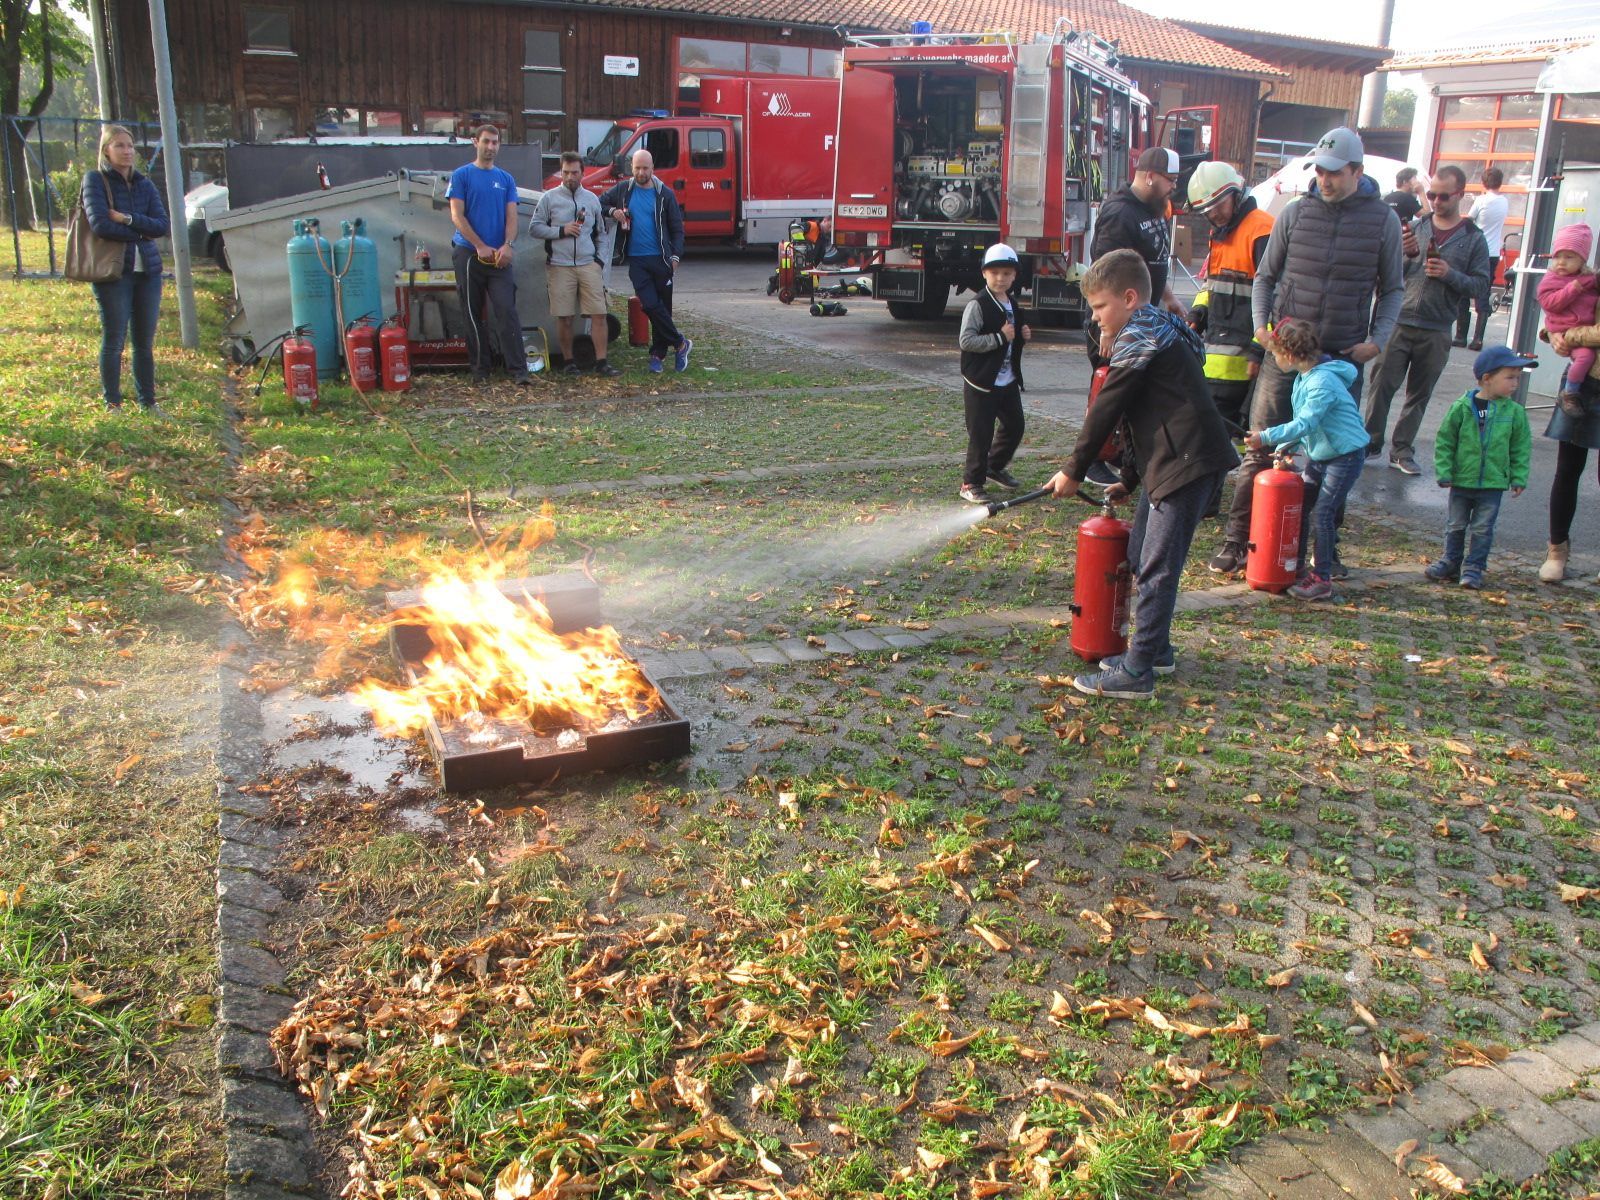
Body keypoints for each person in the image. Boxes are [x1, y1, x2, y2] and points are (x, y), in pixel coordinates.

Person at [1208, 126, 1405, 574]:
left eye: (1335, 172)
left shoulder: (1383, 221)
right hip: (1285, 354)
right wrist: (1262, 327)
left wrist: (1378, 339)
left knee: (1331, 454)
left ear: (1357, 171)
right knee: (1260, 446)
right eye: (1320, 169)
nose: (1326, 179)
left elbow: (1392, 289)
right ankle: (1239, 541)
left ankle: (1319, 551)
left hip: (1340, 359)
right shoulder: (1295, 213)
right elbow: (1266, 277)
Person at [1046, 249, 1239, 700]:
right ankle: (1156, 650)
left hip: (1187, 464)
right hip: (1170, 462)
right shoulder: (1160, 327)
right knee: (1139, 552)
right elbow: (1147, 410)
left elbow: (1108, 406)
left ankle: (1137, 673)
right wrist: (1130, 478)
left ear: (1130, 297)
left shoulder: (1139, 336)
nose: (1095, 320)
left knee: (1156, 569)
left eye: (1100, 307)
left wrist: (1073, 470)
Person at [1362, 166, 1491, 474]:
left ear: (1460, 194)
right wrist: (1404, 258)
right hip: (1399, 320)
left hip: (1437, 326)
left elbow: (1481, 285)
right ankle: (1369, 443)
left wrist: (1450, 275)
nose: (1435, 201)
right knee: (1381, 386)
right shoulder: (1416, 227)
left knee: (1419, 394)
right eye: (1431, 194)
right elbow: (1385, 276)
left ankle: (1401, 450)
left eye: (1443, 196)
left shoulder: (1473, 238)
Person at [1247, 319, 1371, 601]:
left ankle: (1322, 578)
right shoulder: (1305, 378)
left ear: (1289, 355)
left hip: (1345, 456)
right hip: (1322, 454)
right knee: (1302, 508)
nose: (1275, 359)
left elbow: (1305, 422)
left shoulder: (1321, 382)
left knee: (1324, 514)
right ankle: (1297, 565)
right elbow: (1308, 428)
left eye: (1275, 354)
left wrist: (1265, 437)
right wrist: (1283, 449)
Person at [1424, 345, 1532, 589]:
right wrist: (1444, 470)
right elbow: (1445, 441)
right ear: (1487, 378)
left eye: (1517, 378)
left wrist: (1518, 477)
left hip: (1492, 483)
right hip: (1462, 480)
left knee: (1483, 528)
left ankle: (1474, 567)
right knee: (1455, 524)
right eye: (1510, 377)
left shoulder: (1515, 412)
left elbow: (1520, 447)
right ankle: (1451, 561)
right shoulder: (1461, 407)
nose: (1515, 383)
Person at [81, 125, 169, 414]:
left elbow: (162, 225)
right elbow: (101, 225)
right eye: (119, 145)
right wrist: (142, 231)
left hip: (148, 273)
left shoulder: (145, 184)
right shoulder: (95, 180)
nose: (127, 151)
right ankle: (113, 403)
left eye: (130, 145)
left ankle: (148, 402)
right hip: (114, 272)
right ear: (106, 150)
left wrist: (129, 219)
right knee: (114, 339)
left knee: (143, 342)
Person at [1185, 160, 1275, 431]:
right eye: (1207, 212)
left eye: (1218, 207)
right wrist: (1197, 314)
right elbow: (1212, 285)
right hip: (1218, 352)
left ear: (1236, 195)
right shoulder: (1221, 233)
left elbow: (1274, 294)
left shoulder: (1262, 230)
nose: (1214, 215)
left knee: (1239, 430)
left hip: (1246, 353)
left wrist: (1260, 350)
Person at [447, 124, 535, 385]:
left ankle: (518, 370)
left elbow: (512, 218)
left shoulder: (506, 179)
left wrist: (508, 245)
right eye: (486, 141)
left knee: (506, 309)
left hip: (499, 256)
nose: (491, 147)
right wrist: (479, 245)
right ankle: (480, 369)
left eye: (495, 142)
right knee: (473, 312)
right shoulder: (462, 175)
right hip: (469, 252)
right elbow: (457, 215)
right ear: (476, 142)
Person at [1088, 145, 1185, 368]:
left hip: (1137, 322)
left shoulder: (1154, 206)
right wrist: (1107, 331)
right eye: (1170, 179)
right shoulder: (1120, 214)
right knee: (1112, 390)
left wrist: (1168, 297)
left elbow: (1150, 263)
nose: (1174, 186)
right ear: (1150, 176)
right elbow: (1104, 277)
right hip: (1115, 325)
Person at [600, 150, 692, 374]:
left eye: (645, 168)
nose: (641, 172)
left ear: (652, 169)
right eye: (637, 168)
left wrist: (675, 257)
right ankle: (681, 343)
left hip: (661, 259)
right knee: (649, 305)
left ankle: (657, 355)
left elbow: (677, 229)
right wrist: (613, 211)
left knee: (663, 309)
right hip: (637, 260)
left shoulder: (664, 194)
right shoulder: (623, 189)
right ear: (632, 168)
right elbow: (598, 203)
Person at [531, 151, 619, 377]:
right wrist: (561, 231)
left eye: (575, 172)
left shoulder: (591, 200)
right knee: (565, 316)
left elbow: (601, 233)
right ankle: (569, 361)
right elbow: (535, 228)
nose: (570, 177)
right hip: (559, 265)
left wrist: (599, 261)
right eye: (566, 172)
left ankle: (602, 362)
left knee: (599, 314)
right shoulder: (548, 198)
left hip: (588, 264)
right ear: (561, 172)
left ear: (582, 173)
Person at [957, 243, 1032, 504]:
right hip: (981, 381)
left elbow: (1013, 331)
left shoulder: (1011, 301)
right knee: (981, 434)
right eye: (995, 273)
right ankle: (971, 482)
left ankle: (994, 466)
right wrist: (1000, 338)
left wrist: (1022, 335)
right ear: (984, 274)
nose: (1001, 278)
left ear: (1014, 276)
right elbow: (966, 341)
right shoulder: (977, 305)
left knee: (1015, 425)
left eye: (1007, 273)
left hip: (1007, 379)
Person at [1538, 312, 1600, 583]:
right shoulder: (1591, 280)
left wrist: (1570, 336)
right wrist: (1551, 333)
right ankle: (1556, 550)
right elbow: (1565, 307)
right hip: (1582, 384)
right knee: (1567, 470)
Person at [1536, 223, 1598, 418]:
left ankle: (1570, 392)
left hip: (1588, 363)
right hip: (1588, 374)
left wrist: (1565, 335)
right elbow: (1550, 305)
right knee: (1571, 445)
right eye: (1558, 256)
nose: (1561, 262)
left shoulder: (1588, 280)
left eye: (1569, 257)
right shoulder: (1560, 279)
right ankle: (1569, 393)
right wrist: (1552, 332)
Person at [1459, 168, 1508, 349]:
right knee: (1484, 293)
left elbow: (1469, 220)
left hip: (1475, 251)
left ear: (1483, 182)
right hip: (1493, 252)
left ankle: (1460, 335)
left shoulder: (1481, 200)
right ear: (1500, 182)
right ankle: (1478, 338)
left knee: (1464, 291)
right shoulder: (1504, 202)